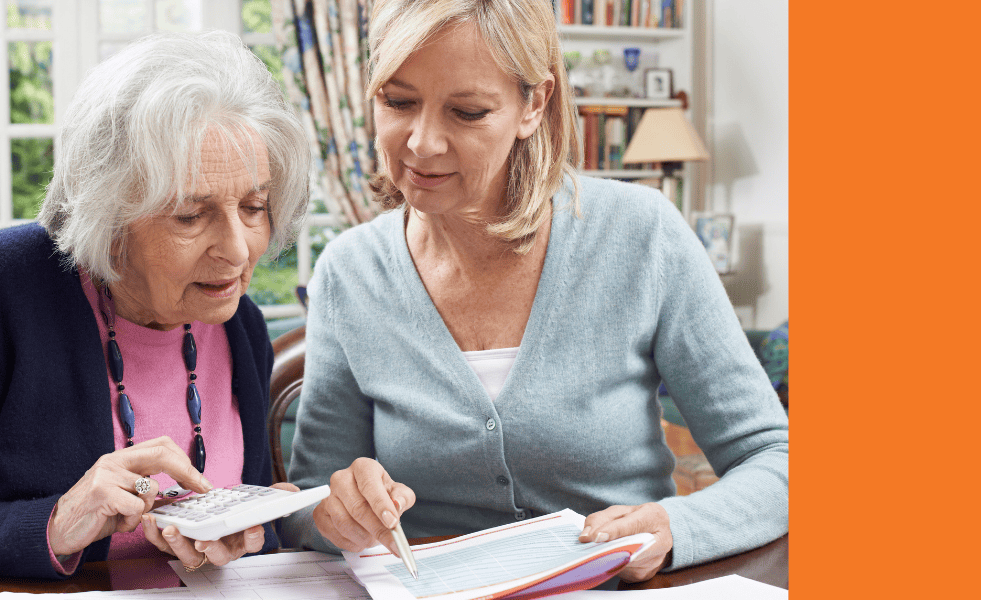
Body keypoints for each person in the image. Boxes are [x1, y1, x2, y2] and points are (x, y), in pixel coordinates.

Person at [279, 0, 788, 583]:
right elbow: (311, 504)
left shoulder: (641, 233)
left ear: (534, 104)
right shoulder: (350, 271)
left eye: (467, 112)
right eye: (397, 102)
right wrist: (336, 512)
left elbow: (776, 461)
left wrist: (677, 527)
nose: (421, 142)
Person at [0, 31, 312, 579]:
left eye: (254, 206)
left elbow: (242, 553)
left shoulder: (238, 323)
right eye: (191, 216)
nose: (238, 250)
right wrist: (56, 523)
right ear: (110, 216)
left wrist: (247, 533)